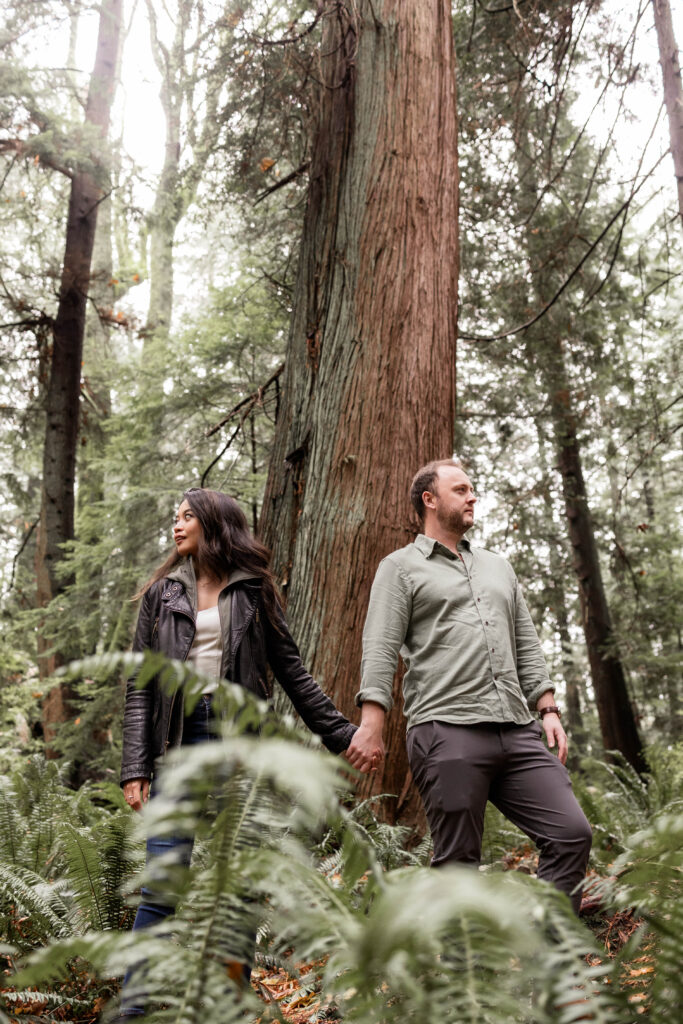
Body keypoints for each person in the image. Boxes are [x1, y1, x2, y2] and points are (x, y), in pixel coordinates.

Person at [119, 487, 361, 1015]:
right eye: (175, 518)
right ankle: (133, 1011)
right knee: (162, 883)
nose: (176, 526)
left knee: (240, 889)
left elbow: (292, 672)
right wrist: (135, 767)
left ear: (214, 523)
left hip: (240, 748)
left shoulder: (253, 592)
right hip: (176, 748)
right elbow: (140, 686)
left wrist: (344, 734)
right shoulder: (162, 594)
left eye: (186, 517)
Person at [346, 459, 592, 914]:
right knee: (459, 866)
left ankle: (554, 964)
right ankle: (463, 980)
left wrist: (548, 707)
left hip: (516, 729)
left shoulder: (498, 567)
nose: (472, 496)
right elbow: (379, 645)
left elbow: (525, 641)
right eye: (461, 489)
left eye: (473, 489)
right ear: (430, 499)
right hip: (446, 729)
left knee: (571, 834)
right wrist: (371, 723)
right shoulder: (399, 568)